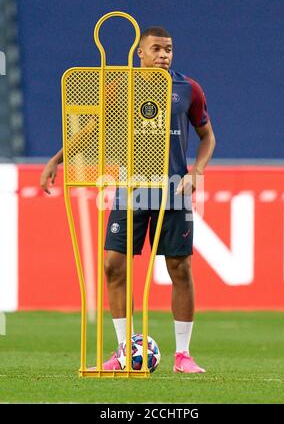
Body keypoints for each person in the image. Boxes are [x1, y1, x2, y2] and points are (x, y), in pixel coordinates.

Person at [40, 27, 216, 373]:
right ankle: (125, 348)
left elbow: (207, 136)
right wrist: (56, 160)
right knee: (112, 266)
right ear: (140, 52)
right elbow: (92, 128)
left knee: (179, 268)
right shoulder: (122, 85)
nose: (164, 55)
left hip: (173, 191)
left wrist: (196, 171)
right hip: (131, 188)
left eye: (169, 49)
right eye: (157, 49)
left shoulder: (188, 88)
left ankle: (183, 356)